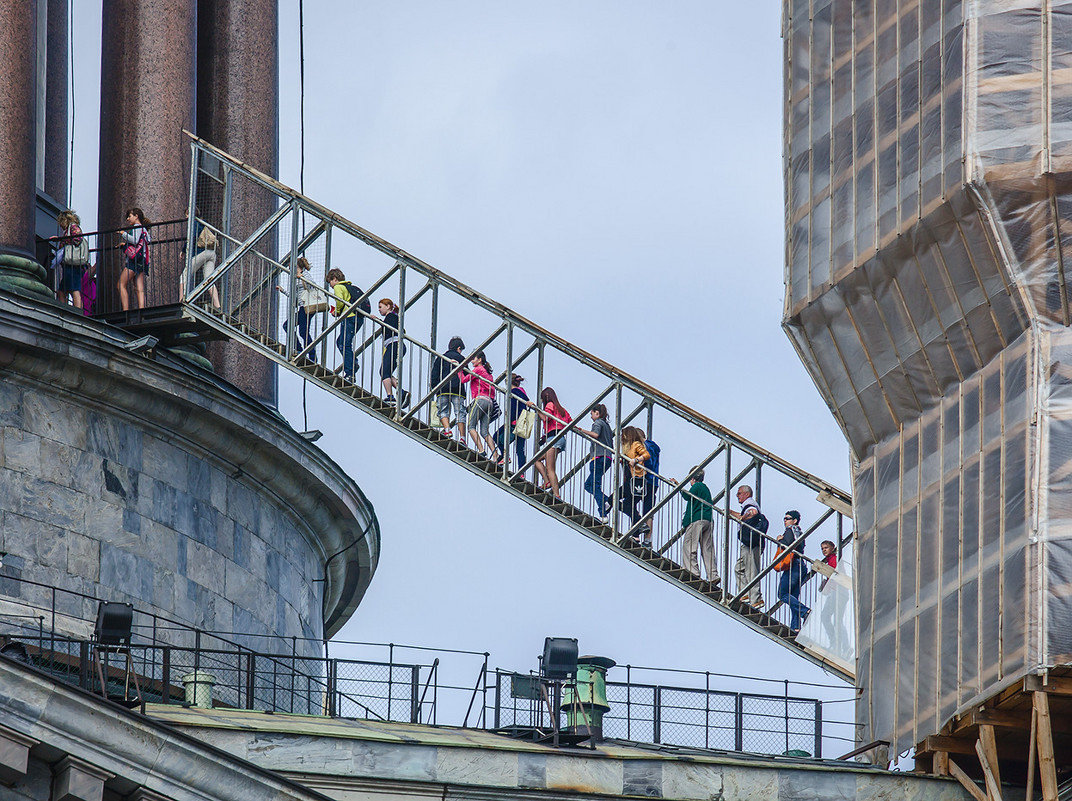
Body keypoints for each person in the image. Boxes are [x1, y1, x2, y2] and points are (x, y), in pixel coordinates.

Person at [728, 484, 765, 608]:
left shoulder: (750, 504)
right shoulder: (747, 505)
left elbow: (753, 512)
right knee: (738, 568)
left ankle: (756, 599)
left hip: (751, 544)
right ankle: (745, 594)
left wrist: (743, 517)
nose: (737, 496)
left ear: (746, 494)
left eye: (739, 493)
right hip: (748, 544)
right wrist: (732, 513)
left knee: (751, 571)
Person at [678, 467, 717, 583]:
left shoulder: (697, 486)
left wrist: (678, 486)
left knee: (689, 545)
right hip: (708, 520)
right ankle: (713, 575)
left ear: (693, 478)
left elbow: (687, 496)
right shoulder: (705, 488)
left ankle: (692, 572)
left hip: (697, 519)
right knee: (707, 548)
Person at [575, 403, 614, 519]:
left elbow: (595, 435)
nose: (591, 417)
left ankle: (603, 512)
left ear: (597, 413)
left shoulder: (598, 423)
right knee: (588, 485)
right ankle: (608, 501)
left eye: (591, 414)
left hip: (599, 457)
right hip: (607, 458)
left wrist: (581, 430)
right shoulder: (607, 426)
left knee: (594, 485)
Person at [276, 257, 320, 357]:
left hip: (307, 306)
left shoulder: (305, 275)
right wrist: (283, 290)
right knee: (287, 326)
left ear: (297, 265)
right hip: (302, 307)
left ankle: (312, 356)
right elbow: (294, 296)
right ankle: (299, 349)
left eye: (290, 264)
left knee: (303, 331)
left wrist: (303, 278)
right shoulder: (295, 279)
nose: (289, 266)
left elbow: (313, 285)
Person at [617, 426, 652, 546]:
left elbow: (646, 455)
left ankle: (639, 525)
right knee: (629, 506)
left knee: (617, 500)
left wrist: (636, 460)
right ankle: (637, 534)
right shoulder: (629, 449)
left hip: (638, 482)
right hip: (633, 482)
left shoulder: (637, 445)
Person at [534, 387, 571, 499]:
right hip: (558, 438)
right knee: (537, 460)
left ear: (546, 397)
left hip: (554, 439)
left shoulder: (549, 405)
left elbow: (545, 418)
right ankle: (547, 482)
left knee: (550, 469)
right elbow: (571, 422)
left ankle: (557, 495)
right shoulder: (561, 409)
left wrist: (536, 409)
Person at [776, 510, 809, 634]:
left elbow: (787, 545)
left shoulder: (791, 529)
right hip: (800, 566)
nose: (785, 520)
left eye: (788, 518)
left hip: (794, 566)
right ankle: (796, 627)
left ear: (794, 520)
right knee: (793, 598)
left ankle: (805, 611)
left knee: (782, 593)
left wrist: (780, 540)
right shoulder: (798, 531)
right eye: (784, 518)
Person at [327, 268, 362, 380]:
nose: (330, 285)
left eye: (330, 282)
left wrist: (336, 312)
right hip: (357, 318)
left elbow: (339, 301)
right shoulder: (347, 286)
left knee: (344, 344)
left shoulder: (338, 287)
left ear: (335, 279)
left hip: (349, 317)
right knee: (341, 342)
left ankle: (350, 372)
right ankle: (353, 362)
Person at [433, 336, 468, 440]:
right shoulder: (462, 359)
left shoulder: (441, 358)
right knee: (460, 413)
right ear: (458, 348)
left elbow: (434, 374)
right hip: (458, 390)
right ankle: (462, 438)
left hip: (443, 388)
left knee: (443, 411)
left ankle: (447, 430)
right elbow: (467, 373)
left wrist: (435, 388)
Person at [493, 373, 530, 468]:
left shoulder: (513, 393)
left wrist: (508, 422)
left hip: (514, 422)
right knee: (520, 449)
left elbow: (513, 409)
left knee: (496, 436)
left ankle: (505, 456)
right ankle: (521, 472)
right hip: (524, 423)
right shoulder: (522, 392)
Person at [181, 220, 221, 309]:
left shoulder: (194, 222)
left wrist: (183, 250)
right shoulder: (202, 224)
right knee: (209, 280)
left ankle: (181, 300)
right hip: (211, 253)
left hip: (201, 253)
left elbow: (192, 237)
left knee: (184, 276)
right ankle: (217, 306)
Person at [51, 210, 86, 310]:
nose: (60, 225)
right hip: (68, 264)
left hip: (73, 264)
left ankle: (77, 312)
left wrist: (62, 240)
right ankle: (66, 309)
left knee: (74, 289)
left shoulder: (73, 228)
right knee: (63, 290)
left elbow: (77, 239)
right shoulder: (68, 230)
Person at [118, 207, 151, 310]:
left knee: (120, 284)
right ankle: (142, 310)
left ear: (136, 216)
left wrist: (124, 234)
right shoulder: (144, 229)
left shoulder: (137, 227)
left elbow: (135, 241)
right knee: (139, 287)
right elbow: (147, 241)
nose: (128, 219)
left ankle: (125, 310)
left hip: (134, 260)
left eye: (129, 216)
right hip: (143, 259)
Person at [378, 298, 408, 405]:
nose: (379, 309)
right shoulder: (393, 317)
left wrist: (377, 321)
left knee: (384, 372)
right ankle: (402, 392)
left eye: (381, 307)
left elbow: (390, 327)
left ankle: (390, 396)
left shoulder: (391, 316)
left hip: (394, 345)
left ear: (388, 307)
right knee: (385, 372)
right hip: (396, 346)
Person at [466, 351, 496, 455]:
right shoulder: (488, 373)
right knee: (485, 431)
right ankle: (495, 455)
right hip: (490, 402)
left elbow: (464, 380)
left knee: (471, 426)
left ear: (479, 360)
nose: (472, 361)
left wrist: (459, 370)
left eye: (473, 359)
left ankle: (481, 450)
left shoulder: (478, 369)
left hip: (480, 400)